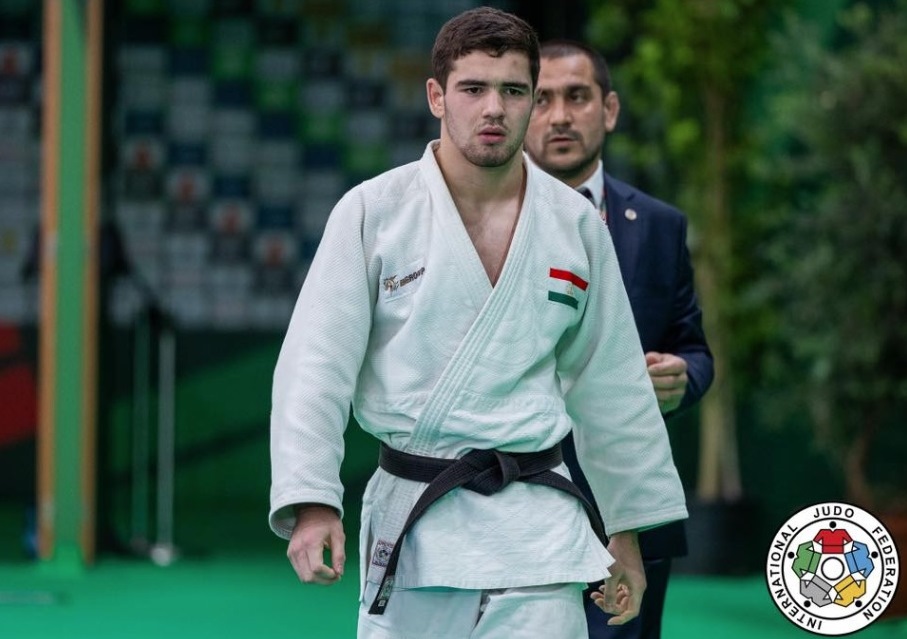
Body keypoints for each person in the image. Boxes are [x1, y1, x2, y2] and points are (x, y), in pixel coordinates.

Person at [269, 9, 688, 638]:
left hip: (540, 530)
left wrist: (626, 531)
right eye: (473, 88)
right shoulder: (374, 212)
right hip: (418, 525)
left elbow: (611, 385)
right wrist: (312, 500)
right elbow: (315, 368)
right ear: (437, 96)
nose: (494, 108)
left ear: (530, 101)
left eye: (514, 90)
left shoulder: (574, 224)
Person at [524, 40, 714, 639]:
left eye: (577, 97)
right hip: (519, 503)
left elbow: (693, 347)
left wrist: (683, 377)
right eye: (542, 99)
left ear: (608, 110)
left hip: (631, 503)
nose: (559, 116)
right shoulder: (483, 221)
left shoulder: (659, 226)